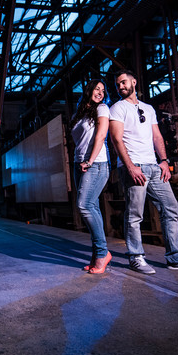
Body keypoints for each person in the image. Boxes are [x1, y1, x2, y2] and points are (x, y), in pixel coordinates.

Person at [108, 69, 178, 273]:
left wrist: (163, 161)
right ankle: (136, 257)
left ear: (134, 81)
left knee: (170, 207)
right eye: (118, 85)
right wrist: (130, 166)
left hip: (154, 167)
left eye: (124, 82)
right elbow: (116, 139)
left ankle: (175, 257)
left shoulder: (148, 108)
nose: (121, 87)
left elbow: (157, 137)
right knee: (135, 214)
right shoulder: (117, 108)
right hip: (134, 167)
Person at [70, 79, 112, 274]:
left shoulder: (102, 108)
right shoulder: (80, 114)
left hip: (95, 163)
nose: (100, 93)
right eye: (97, 89)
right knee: (91, 206)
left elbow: (101, 135)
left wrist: (90, 160)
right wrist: (80, 162)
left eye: (103, 90)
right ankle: (97, 256)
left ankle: (103, 253)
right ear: (88, 90)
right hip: (80, 164)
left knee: (84, 205)